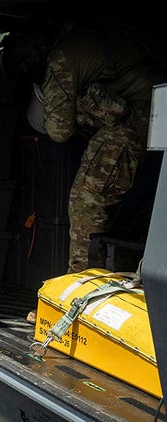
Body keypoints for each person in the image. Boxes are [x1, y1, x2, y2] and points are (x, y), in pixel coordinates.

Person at [30, 16, 167, 273]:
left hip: (139, 121)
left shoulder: (64, 55)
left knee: (87, 200)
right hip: (155, 119)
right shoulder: (107, 32)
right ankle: (119, 275)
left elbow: (59, 131)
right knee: (130, 211)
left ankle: (81, 286)